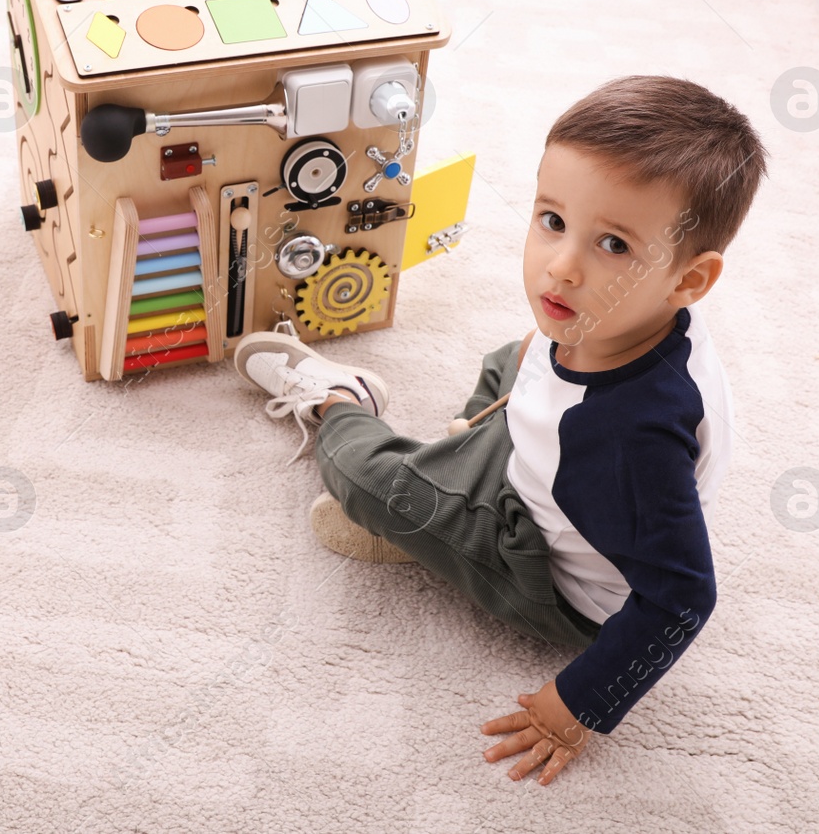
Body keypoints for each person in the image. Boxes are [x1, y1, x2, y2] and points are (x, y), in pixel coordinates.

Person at [235, 75, 768, 785]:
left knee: (369, 481)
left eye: (612, 243)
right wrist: (541, 363)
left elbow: (682, 599)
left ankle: (338, 400)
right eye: (552, 219)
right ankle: (458, 459)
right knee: (514, 356)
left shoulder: (625, 442)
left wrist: (577, 704)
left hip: (541, 563)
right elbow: (549, 357)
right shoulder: (629, 322)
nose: (563, 264)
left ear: (689, 279)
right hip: (549, 454)